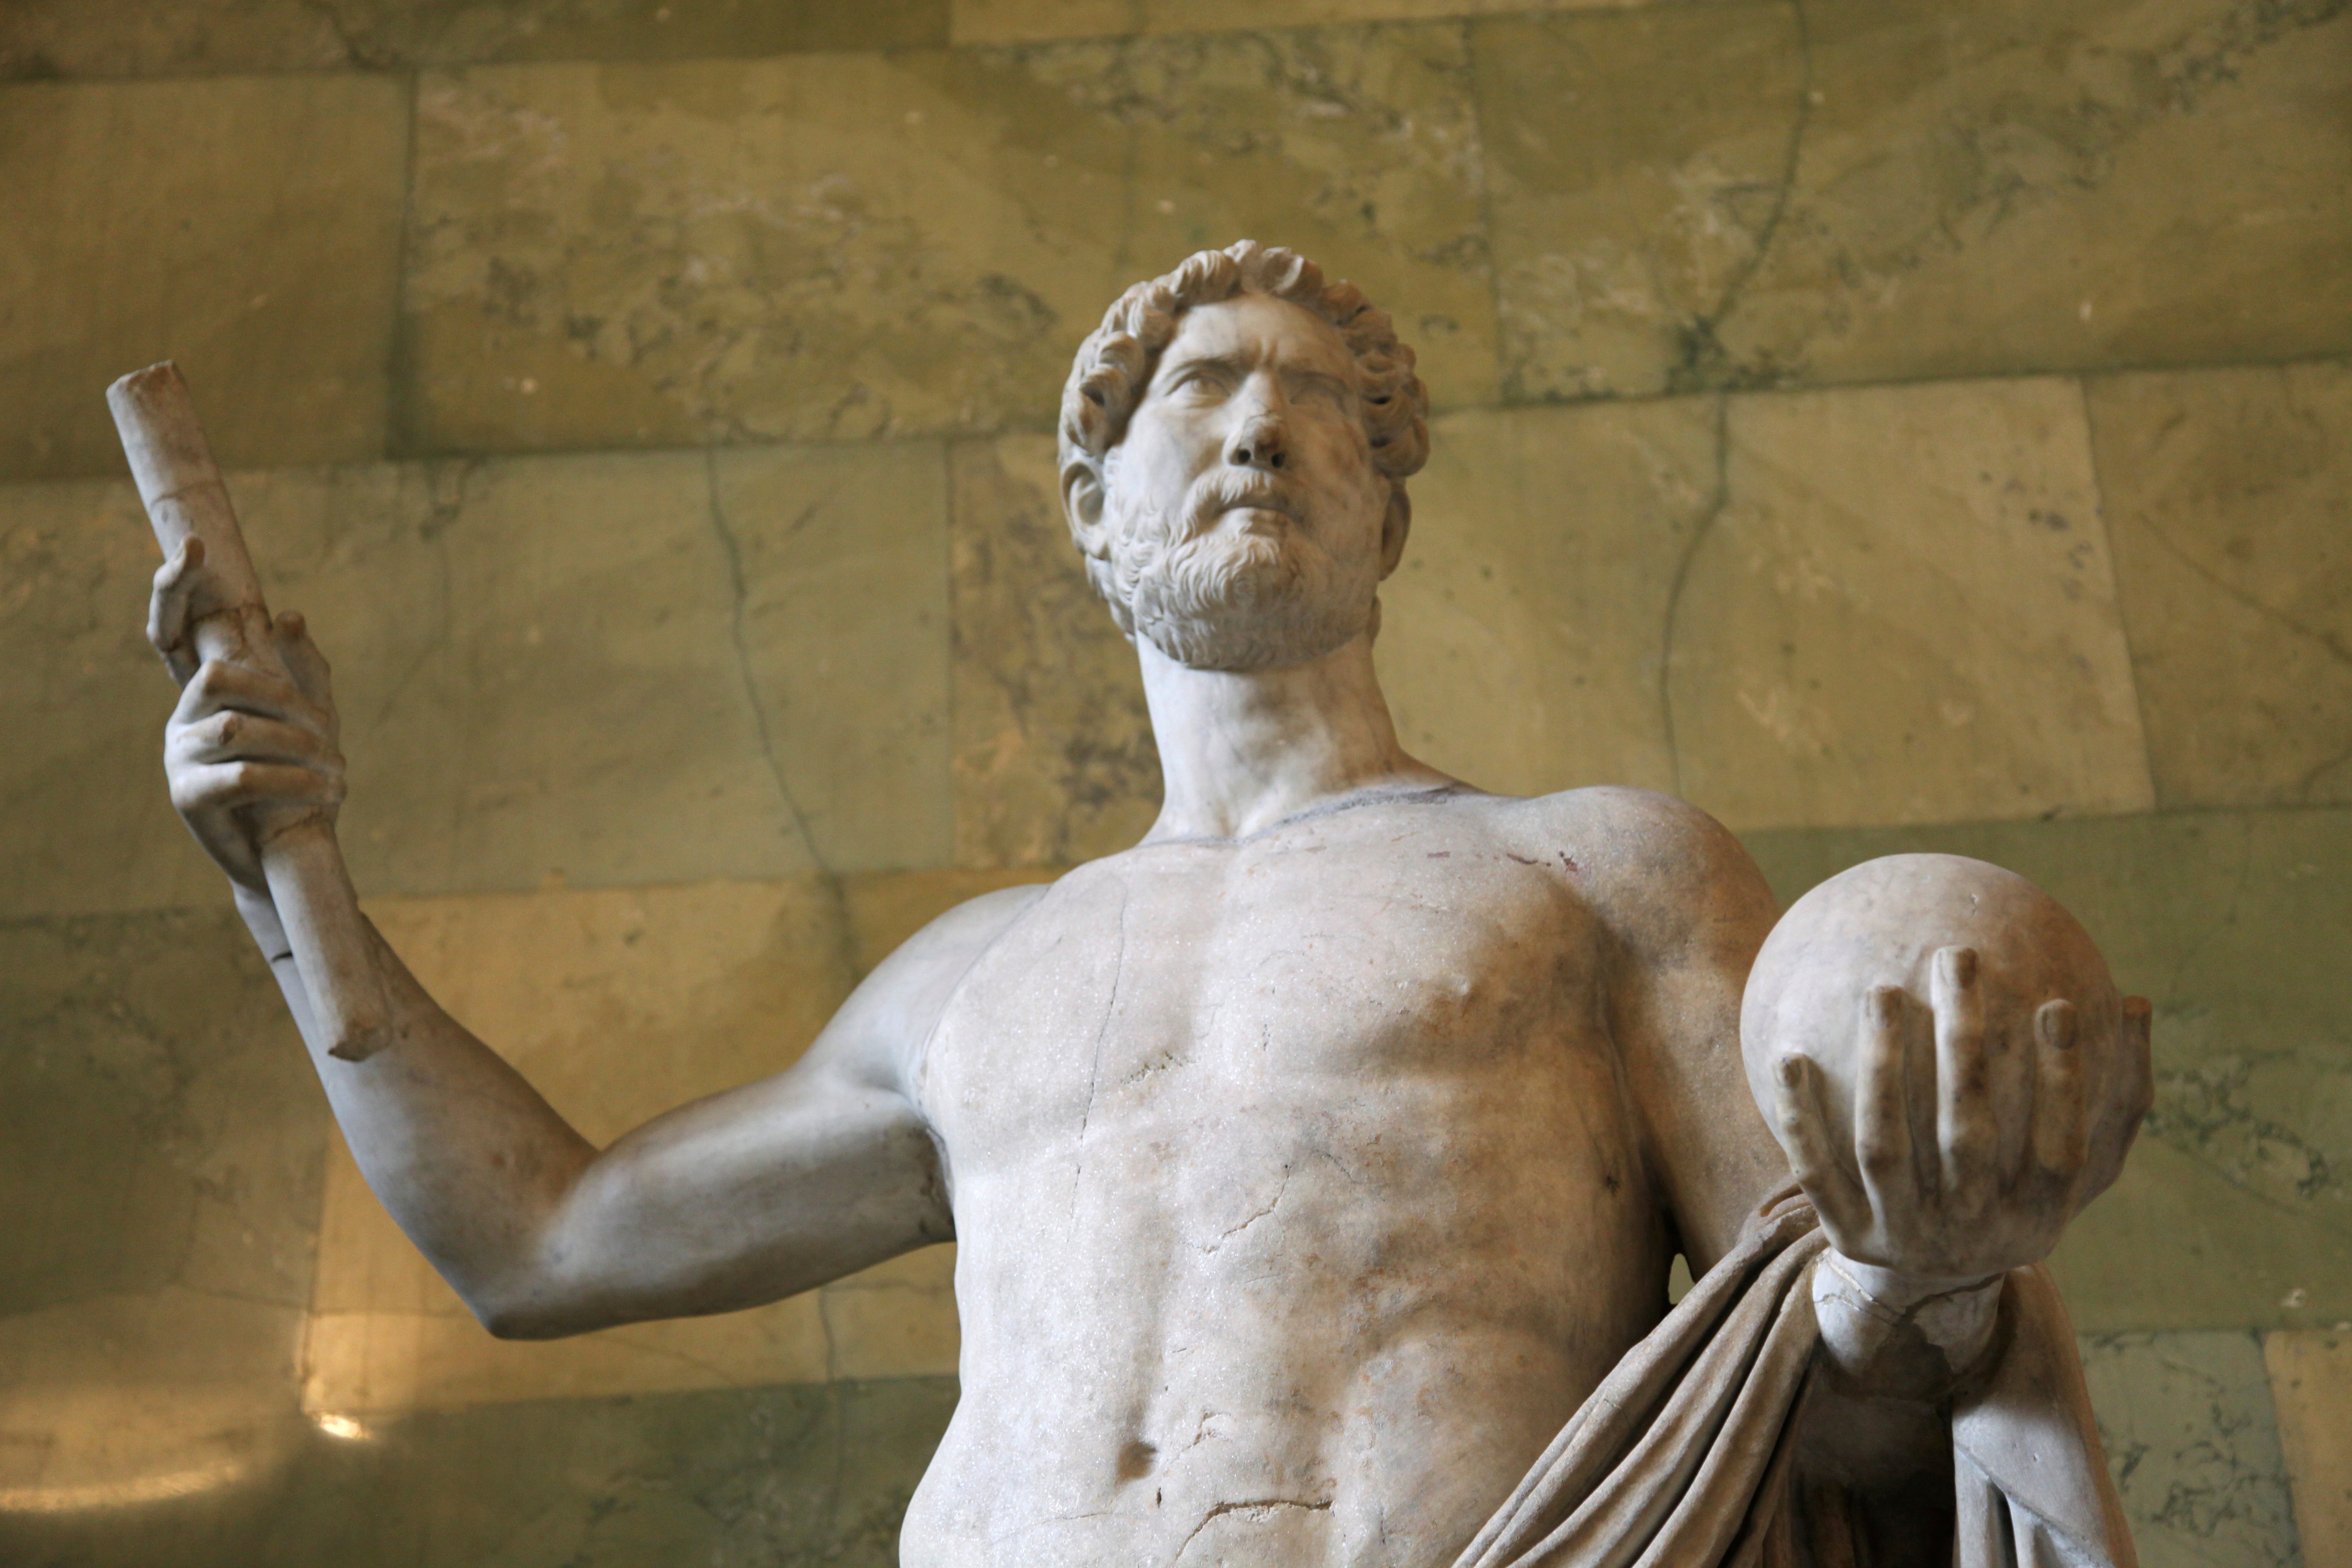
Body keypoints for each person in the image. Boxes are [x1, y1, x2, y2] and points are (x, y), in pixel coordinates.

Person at [149, 240, 2143, 1566]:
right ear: (1092, 519)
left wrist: (1932, 1282)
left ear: (1387, 518)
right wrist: (287, 869)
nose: (1262, 425)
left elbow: (1814, 1414)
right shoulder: (963, 984)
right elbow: (536, 1239)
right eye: (1199, 390)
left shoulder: (1596, 870)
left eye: (1319, 402)